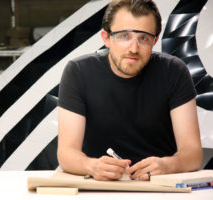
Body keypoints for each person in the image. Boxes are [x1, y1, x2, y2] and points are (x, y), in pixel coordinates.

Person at [57, 0, 203, 181]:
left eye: (143, 38)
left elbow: (193, 153)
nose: (134, 49)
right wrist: (92, 166)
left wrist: (168, 165)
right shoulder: (78, 71)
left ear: (155, 41)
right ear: (106, 38)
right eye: (124, 36)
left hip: (159, 187)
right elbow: (66, 153)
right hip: (100, 187)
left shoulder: (174, 71)